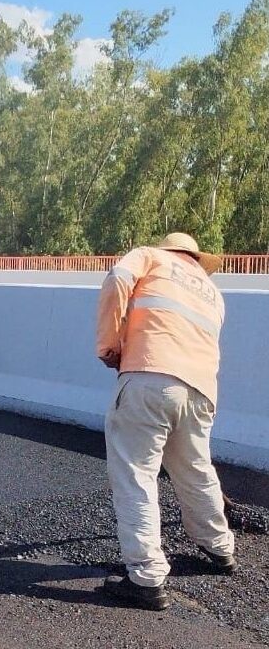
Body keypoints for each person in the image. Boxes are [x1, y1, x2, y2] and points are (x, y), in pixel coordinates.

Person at [95, 232, 235, 611]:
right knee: (195, 470)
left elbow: (117, 279)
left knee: (136, 472)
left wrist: (109, 345)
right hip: (200, 392)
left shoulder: (149, 257)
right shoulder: (211, 292)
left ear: (168, 248)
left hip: (149, 376)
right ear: (195, 257)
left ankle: (145, 577)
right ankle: (220, 548)